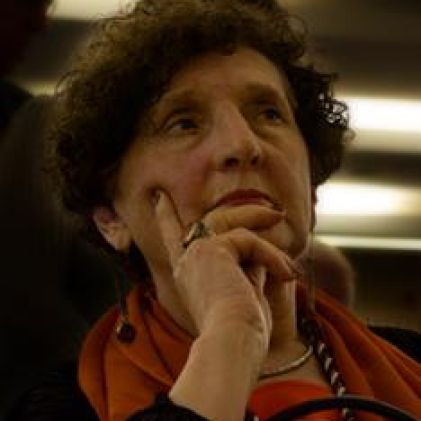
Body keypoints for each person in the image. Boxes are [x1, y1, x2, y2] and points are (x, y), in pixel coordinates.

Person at [9, 1, 421, 420]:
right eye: (183, 123)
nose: (243, 144)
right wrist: (231, 333)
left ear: (311, 189)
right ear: (110, 219)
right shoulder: (58, 408)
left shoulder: (414, 362)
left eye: (270, 114)